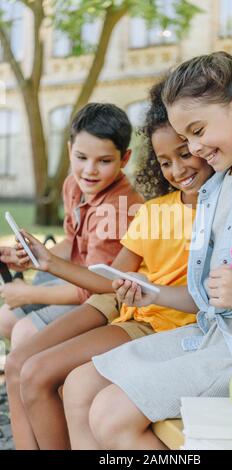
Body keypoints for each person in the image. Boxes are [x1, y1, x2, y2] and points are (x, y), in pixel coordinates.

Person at [61, 52, 232, 450]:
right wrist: (148, 290)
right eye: (185, 137)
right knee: (80, 386)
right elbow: (206, 299)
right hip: (216, 336)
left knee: (110, 415)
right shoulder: (218, 187)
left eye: (198, 130)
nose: (194, 147)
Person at [1, 81, 213, 449]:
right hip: (121, 303)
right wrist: (46, 260)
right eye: (165, 162)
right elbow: (109, 279)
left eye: (184, 155)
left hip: (153, 317)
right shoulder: (153, 211)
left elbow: (188, 295)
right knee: (25, 364)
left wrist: (48, 271)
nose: (176, 169)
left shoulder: (218, 210)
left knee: (38, 371)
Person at [0, 103, 143, 348]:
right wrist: (27, 258)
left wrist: (29, 294)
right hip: (76, 282)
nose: (89, 171)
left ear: (125, 158)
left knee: (25, 333)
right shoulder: (73, 186)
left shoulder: (118, 208)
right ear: (69, 150)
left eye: (104, 161)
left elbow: (96, 286)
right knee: (4, 319)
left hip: (106, 297)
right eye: (81, 157)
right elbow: (73, 243)